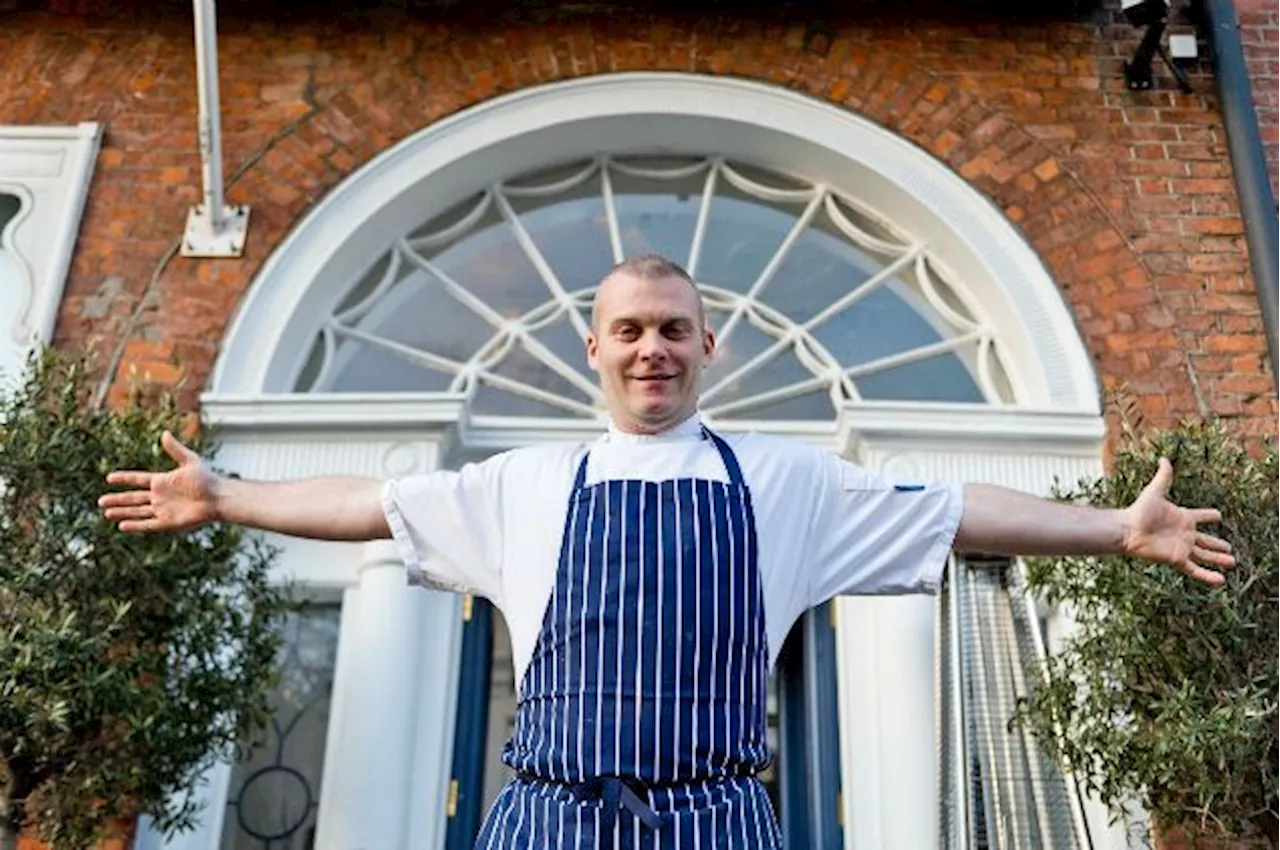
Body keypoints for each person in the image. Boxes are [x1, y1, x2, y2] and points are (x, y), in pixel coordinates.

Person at [100, 253, 1233, 848]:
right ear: (591, 346)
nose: (652, 349)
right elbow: (367, 503)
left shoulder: (788, 481)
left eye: (673, 329)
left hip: (718, 819)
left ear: (708, 346)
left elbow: (958, 510)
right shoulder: (525, 483)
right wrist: (228, 493)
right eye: (630, 330)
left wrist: (1115, 531)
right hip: (545, 817)